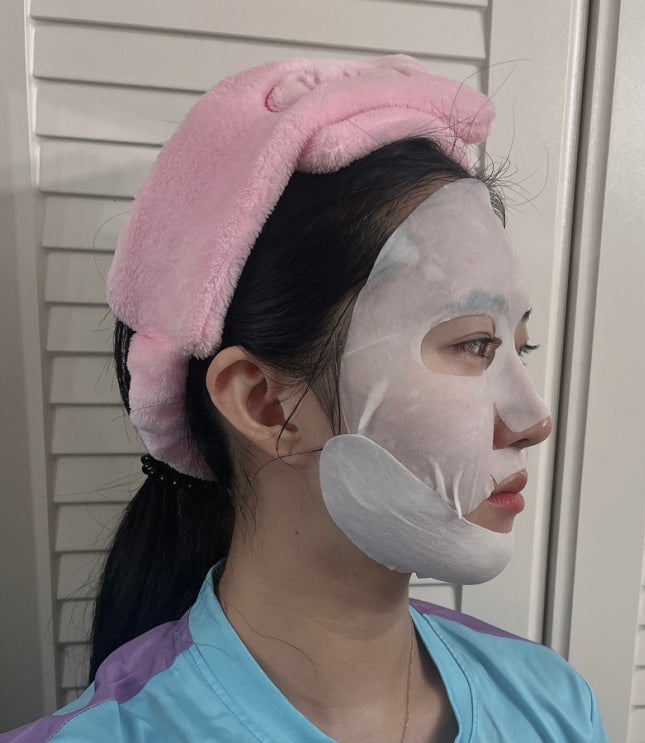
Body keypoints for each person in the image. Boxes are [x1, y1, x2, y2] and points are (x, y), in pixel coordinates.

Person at [2, 55, 608, 742]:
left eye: (521, 348)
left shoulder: (553, 703)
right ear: (265, 404)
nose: (534, 420)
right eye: (474, 345)